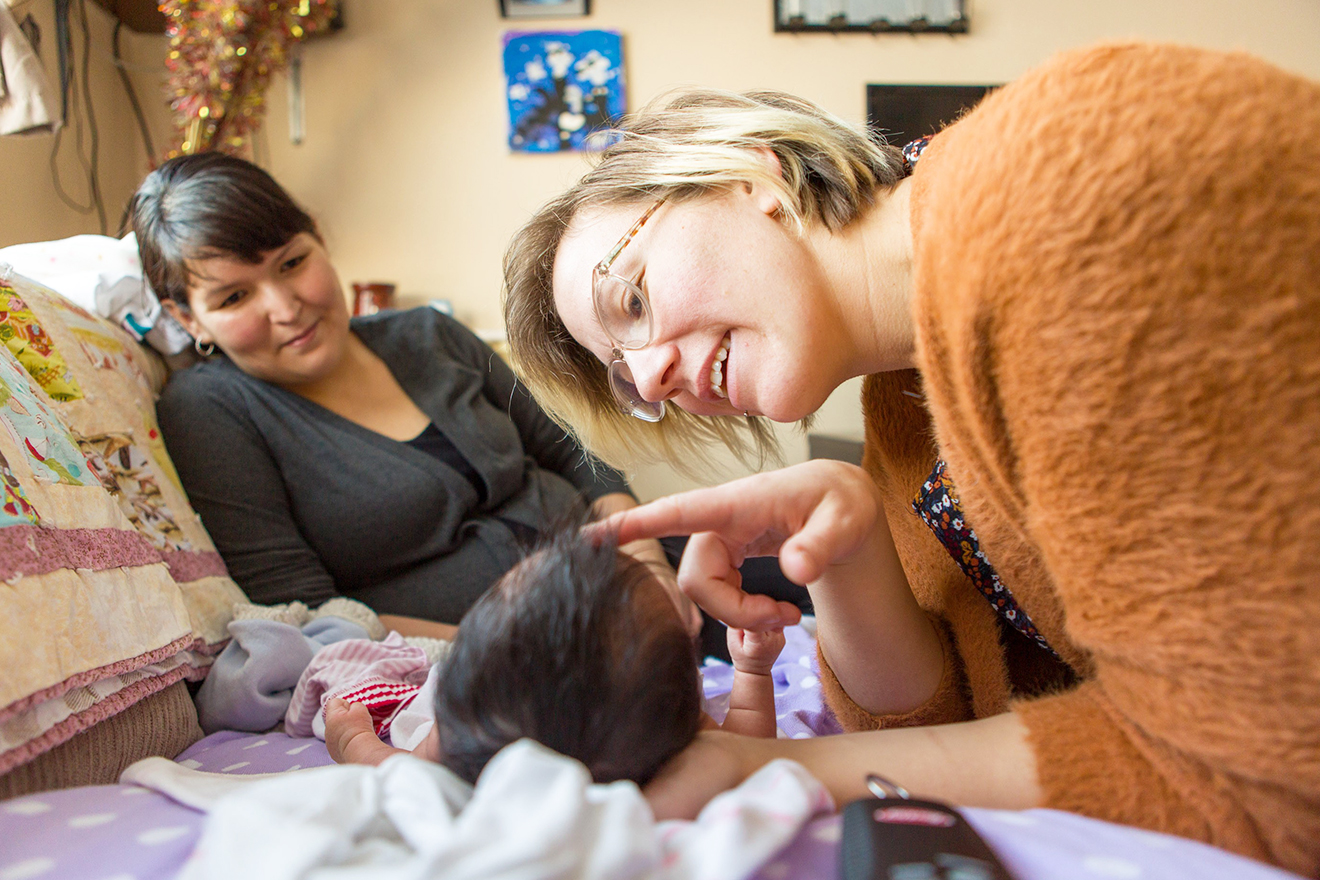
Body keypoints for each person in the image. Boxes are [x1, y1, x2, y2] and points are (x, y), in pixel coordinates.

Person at [500, 41, 1320, 875]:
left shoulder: (1070, 189)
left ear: (751, 177)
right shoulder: (902, 409)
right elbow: (951, 738)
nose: (650, 376)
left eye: (631, 299)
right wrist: (845, 538)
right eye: (624, 377)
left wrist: (769, 766)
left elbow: (1265, 776)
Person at [129, 152, 696, 639]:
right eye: (234, 297)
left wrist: (647, 562)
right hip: (507, 656)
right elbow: (305, 611)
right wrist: (510, 650)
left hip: (630, 566)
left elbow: (568, 453)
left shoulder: (428, 334)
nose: (285, 306)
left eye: (293, 263)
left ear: (320, 240)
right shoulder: (210, 411)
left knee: (779, 568)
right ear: (188, 318)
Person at [323, 523, 786, 784]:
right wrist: (752, 671)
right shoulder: (667, 733)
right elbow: (749, 749)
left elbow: (391, 773)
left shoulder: (463, 742)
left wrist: (351, 737)